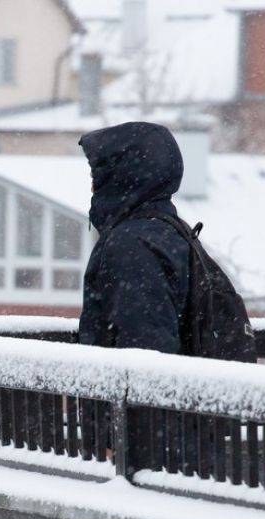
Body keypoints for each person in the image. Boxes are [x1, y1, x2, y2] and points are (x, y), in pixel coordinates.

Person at [77, 122, 190, 353]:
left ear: (119, 178)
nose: (91, 186)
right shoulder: (171, 231)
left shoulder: (132, 245)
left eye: (97, 175)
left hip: (137, 386)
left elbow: (147, 352)